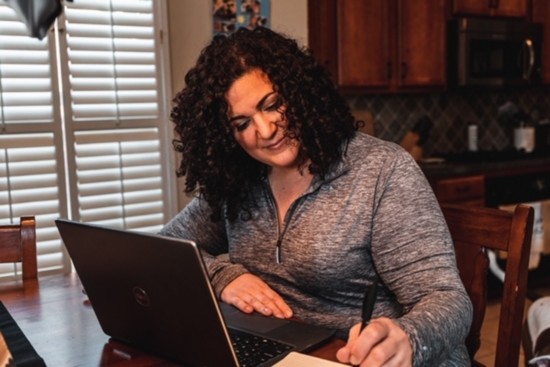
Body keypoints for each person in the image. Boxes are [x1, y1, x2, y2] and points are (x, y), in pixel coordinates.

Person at [161, 26, 472, 366]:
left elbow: (446, 299)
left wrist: (408, 337)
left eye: (273, 104)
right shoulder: (238, 178)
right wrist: (223, 277)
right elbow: (168, 248)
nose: (265, 131)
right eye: (242, 123)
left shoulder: (381, 170)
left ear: (300, 92)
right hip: (284, 351)